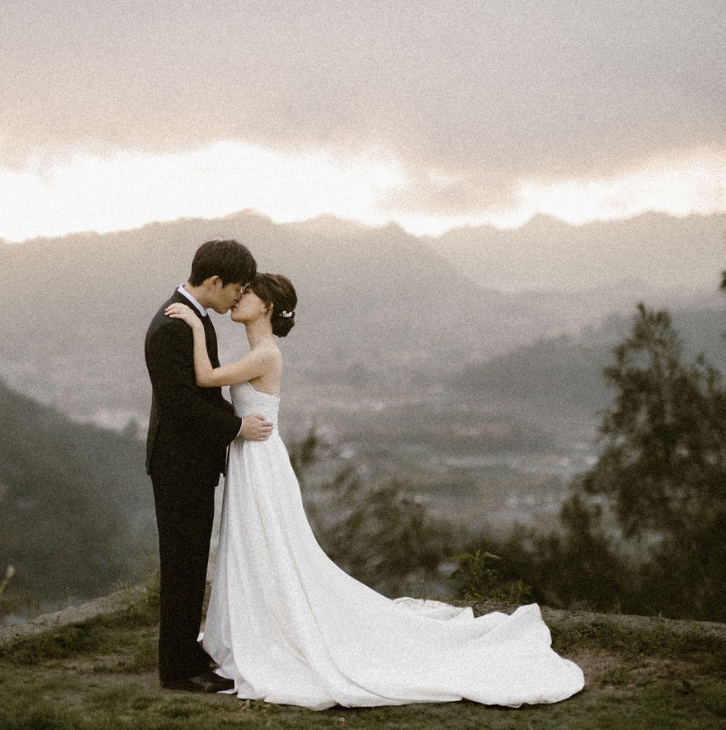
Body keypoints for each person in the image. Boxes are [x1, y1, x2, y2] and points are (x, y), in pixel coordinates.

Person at [165, 273, 585, 710]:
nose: (238, 297)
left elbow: (205, 377)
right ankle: (258, 622)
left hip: (261, 461)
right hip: (253, 455)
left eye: (248, 292)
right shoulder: (258, 352)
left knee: (269, 543)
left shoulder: (266, 354)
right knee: (258, 545)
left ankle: (272, 627)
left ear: (267, 305)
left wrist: (196, 326)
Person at [144, 239, 274, 693]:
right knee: (182, 562)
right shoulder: (172, 327)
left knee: (191, 559)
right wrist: (237, 428)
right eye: (235, 289)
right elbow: (182, 406)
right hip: (177, 464)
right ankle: (178, 669)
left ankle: (185, 653)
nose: (237, 298)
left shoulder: (195, 319)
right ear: (215, 282)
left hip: (191, 463)